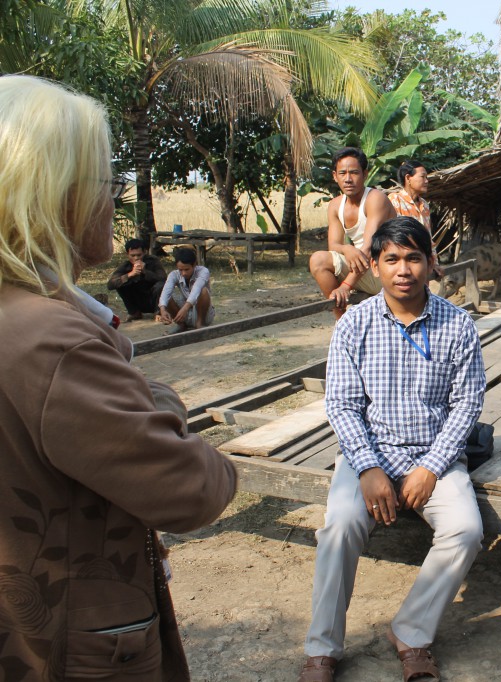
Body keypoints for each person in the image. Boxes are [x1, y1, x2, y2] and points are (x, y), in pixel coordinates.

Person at [0, 74, 236, 681]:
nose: (116, 200)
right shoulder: (55, 342)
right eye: (109, 183)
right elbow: (194, 487)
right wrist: (160, 398)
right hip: (75, 645)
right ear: (58, 194)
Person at [300, 216, 485, 682]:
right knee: (340, 526)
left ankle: (411, 632)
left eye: (414, 258)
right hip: (369, 456)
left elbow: (467, 406)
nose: (404, 269)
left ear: (430, 264)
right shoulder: (353, 325)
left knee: (465, 529)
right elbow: (341, 405)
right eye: (392, 259)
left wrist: (432, 467)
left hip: (435, 457)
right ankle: (323, 648)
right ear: (376, 267)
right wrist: (366, 467)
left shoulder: (459, 325)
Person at [309, 147, 397, 319]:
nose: (348, 179)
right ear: (335, 176)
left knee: (362, 254)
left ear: (365, 174)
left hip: (386, 270)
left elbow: (368, 248)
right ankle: (341, 320)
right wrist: (347, 249)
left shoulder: (375, 198)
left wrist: (346, 286)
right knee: (318, 260)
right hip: (363, 267)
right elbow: (333, 245)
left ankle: (344, 316)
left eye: (354, 173)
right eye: (342, 173)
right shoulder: (335, 205)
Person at [389, 159, 444, 279]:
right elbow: (392, 237)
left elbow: (428, 237)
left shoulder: (424, 204)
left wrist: (434, 263)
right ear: (408, 178)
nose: (426, 181)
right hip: (403, 266)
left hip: (421, 264)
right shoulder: (394, 200)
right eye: (423, 177)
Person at [106, 237, 167, 320]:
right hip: (137, 301)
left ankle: (159, 312)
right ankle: (134, 313)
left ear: (144, 252)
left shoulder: (153, 261)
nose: (136, 258)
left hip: (153, 300)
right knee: (120, 284)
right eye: (133, 255)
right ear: (127, 254)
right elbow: (110, 285)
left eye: (139, 255)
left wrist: (145, 272)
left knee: (160, 285)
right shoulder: (125, 266)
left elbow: (163, 279)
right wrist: (130, 275)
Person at [157, 247, 214, 333]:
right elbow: (166, 292)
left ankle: (200, 324)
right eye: (180, 270)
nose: (183, 273)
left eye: (187, 269)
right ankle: (181, 325)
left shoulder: (203, 271)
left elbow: (196, 289)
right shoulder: (174, 275)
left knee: (203, 291)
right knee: (167, 296)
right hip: (185, 313)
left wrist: (185, 308)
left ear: (194, 265)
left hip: (203, 314)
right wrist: (163, 310)